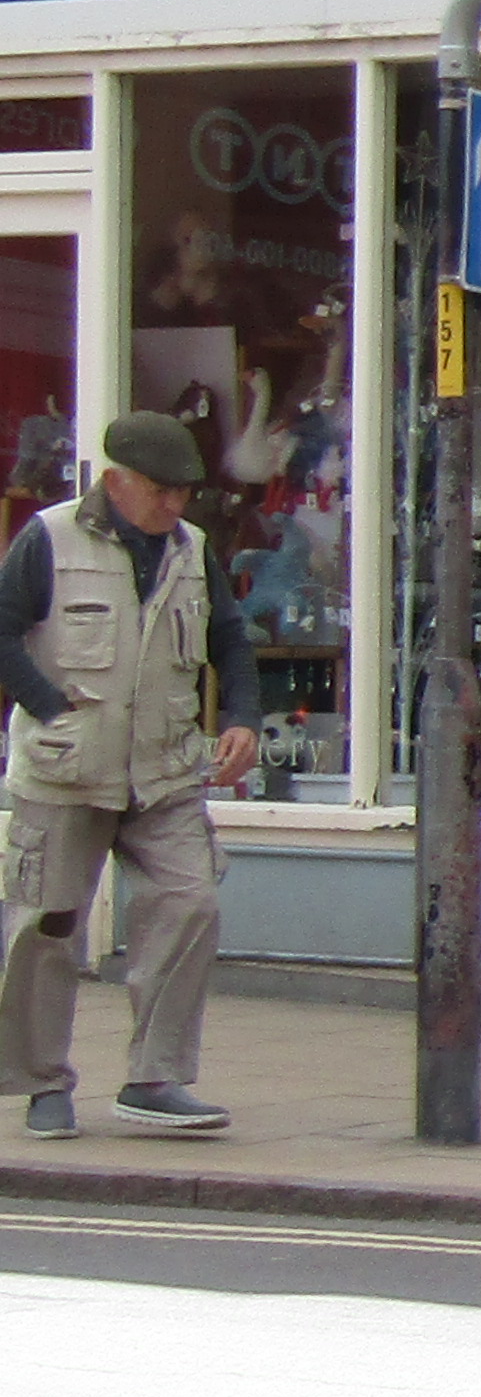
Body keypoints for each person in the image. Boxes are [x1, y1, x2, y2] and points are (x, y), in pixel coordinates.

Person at [0, 414, 262, 1138]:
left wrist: (242, 715)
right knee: (46, 929)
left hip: (164, 772)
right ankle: (41, 1082)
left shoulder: (193, 549)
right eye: (160, 491)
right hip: (62, 774)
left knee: (191, 901)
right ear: (115, 480)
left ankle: (155, 1077)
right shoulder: (49, 538)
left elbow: (230, 639)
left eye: (183, 492)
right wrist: (47, 708)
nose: (174, 506)